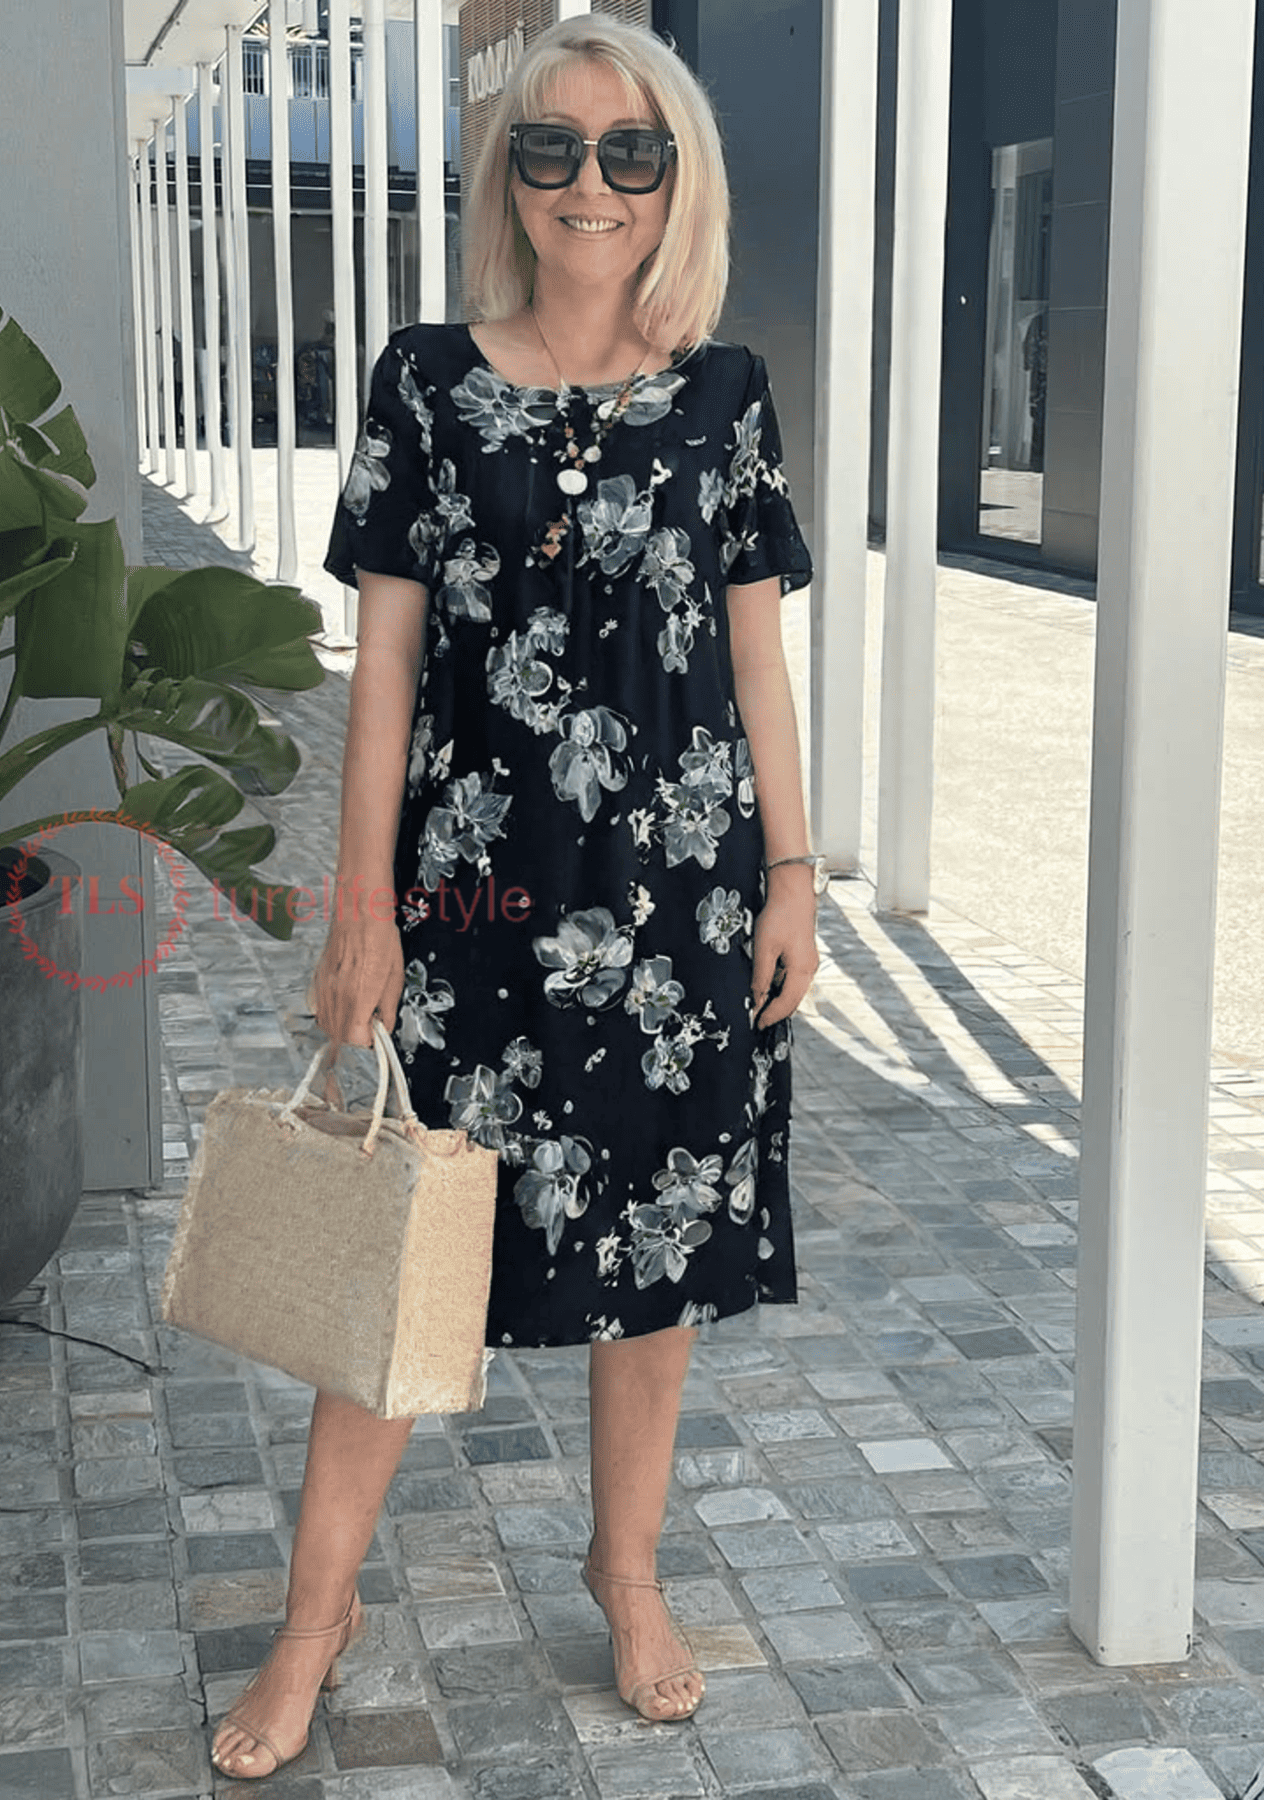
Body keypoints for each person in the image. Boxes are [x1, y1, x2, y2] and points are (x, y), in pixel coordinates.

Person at [211, 13, 819, 1780]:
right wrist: (360, 905)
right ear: (509, 176)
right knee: (397, 1245)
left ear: (677, 179)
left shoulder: (724, 394)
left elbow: (754, 667)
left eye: (630, 151)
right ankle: (313, 1619)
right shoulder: (423, 380)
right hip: (470, 905)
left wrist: (791, 874)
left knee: (657, 1257)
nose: (589, 184)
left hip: (681, 911)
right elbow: (384, 672)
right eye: (551, 148)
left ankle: (625, 1576)